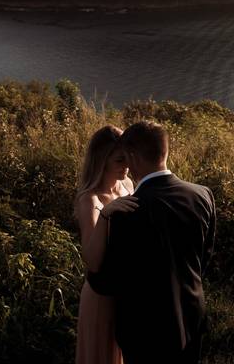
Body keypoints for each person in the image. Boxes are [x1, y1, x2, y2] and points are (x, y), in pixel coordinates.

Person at [87, 121, 217, 364]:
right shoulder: (202, 194)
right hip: (191, 319)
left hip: (145, 332)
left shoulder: (127, 212)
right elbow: (203, 258)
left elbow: (106, 282)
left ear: (134, 157)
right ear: (163, 151)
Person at [75, 125, 138, 364]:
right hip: (101, 297)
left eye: (129, 158)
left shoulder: (128, 186)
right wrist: (105, 215)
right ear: (102, 160)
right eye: (120, 160)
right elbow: (92, 260)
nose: (127, 166)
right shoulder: (89, 200)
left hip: (125, 292)